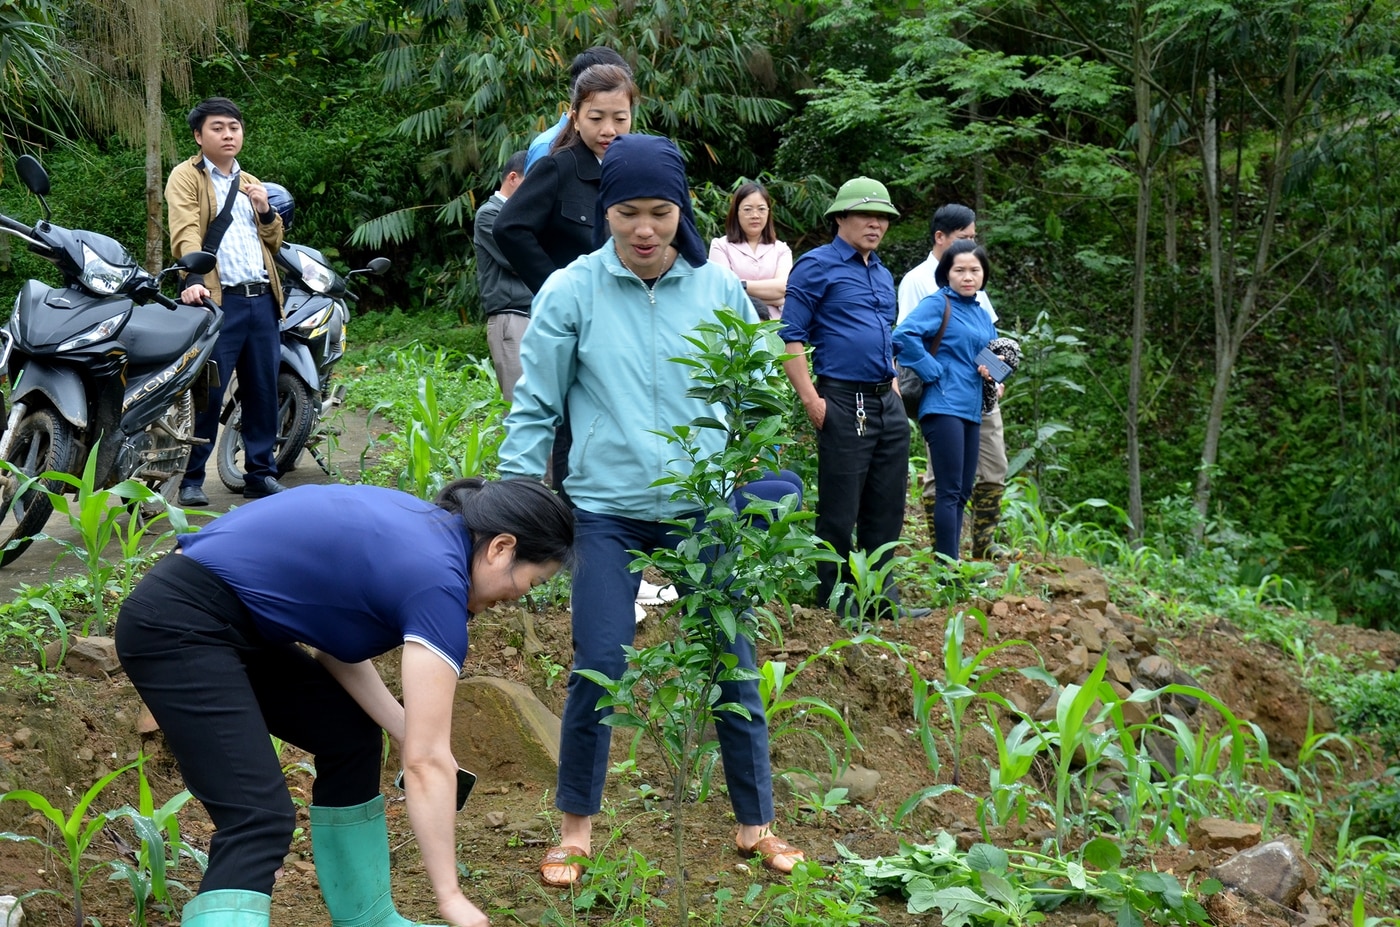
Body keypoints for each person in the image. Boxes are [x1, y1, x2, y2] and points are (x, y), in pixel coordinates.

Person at [498, 134, 805, 888]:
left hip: (703, 509)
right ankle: (576, 829)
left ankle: (754, 822)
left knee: (733, 662)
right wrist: (508, 498)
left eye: (660, 212)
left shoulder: (718, 291)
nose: (644, 229)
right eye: (627, 212)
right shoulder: (571, 289)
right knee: (599, 663)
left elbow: (758, 389)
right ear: (605, 210)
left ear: (682, 213)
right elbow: (536, 404)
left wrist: (754, 463)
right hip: (607, 509)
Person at [115, 478, 574, 927]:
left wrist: (402, 726)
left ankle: (368, 918)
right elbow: (426, 763)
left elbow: (333, 643)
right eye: (530, 583)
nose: (515, 599)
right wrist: (450, 898)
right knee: (258, 818)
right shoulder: (436, 580)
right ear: (501, 547)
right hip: (179, 625)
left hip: (240, 625)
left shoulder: (427, 536)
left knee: (350, 736)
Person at [780, 177, 926, 620]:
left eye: (882, 216)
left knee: (887, 507)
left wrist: (896, 395)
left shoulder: (882, 272)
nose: (875, 224)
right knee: (840, 508)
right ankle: (835, 601)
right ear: (840, 217)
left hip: (886, 399)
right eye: (866, 214)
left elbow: (887, 341)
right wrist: (811, 399)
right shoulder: (816, 265)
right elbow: (790, 336)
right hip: (842, 399)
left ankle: (882, 600)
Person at [166, 96, 287, 505]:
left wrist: (266, 211)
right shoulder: (186, 177)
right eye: (218, 128)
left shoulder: (250, 180)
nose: (228, 134)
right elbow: (184, 231)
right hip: (219, 303)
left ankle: (260, 472)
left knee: (262, 390)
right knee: (208, 393)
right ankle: (190, 478)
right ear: (199, 136)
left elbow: (273, 241)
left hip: (262, 300)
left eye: (234, 127)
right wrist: (194, 277)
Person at [898, 203, 1013, 557]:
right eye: (959, 270)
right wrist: (933, 371)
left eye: (974, 271)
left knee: (963, 489)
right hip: (943, 403)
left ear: (983, 275)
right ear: (947, 273)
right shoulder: (938, 302)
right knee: (948, 489)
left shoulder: (979, 312)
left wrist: (996, 371)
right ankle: (948, 568)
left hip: (972, 406)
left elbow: (989, 351)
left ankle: (961, 559)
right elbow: (902, 337)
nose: (967, 277)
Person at [473, 150, 533, 403]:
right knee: (521, 407)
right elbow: (519, 260)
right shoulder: (489, 214)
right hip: (511, 317)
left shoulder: (524, 215)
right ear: (513, 178)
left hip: (533, 315)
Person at [524, 46, 631, 174]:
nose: (609, 131)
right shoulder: (548, 147)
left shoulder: (617, 151)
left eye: (620, 119)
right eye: (596, 118)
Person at [708, 181, 793, 320]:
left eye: (761, 209)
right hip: (735, 329)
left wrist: (740, 285)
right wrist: (775, 299)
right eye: (748, 209)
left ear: (768, 212)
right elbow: (722, 291)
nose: (755, 215)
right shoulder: (720, 246)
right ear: (736, 212)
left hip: (774, 331)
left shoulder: (781, 249)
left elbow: (783, 288)